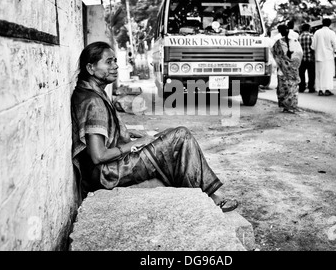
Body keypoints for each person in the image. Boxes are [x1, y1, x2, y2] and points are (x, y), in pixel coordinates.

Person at [71, 41, 238, 212]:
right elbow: (98, 156)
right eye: (108, 62)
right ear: (90, 68)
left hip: (107, 168)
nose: (115, 66)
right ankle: (209, 197)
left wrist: (129, 132)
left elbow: (105, 133)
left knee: (168, 135)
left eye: (115, 60)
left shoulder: (87, 91)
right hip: (108, 174)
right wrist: (134, 144)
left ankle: (196, 193)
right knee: (181, 136)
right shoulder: (93, 101)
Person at [272, 24, 304, 113]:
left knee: (284, 88)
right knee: (291, 88)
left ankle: (286, 107)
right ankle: (291, 106)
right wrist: (292, 63)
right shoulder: (294, 41)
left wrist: (283, 62)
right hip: (291, 69)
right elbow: (299, 53)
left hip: (283, 69)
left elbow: (275, 54)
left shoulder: (278, 42)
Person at [311, 18, 336, 96]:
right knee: (328, 74)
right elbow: (335, 45)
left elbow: (313, 46)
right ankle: (327, 89)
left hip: (319, 56)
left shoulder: (317, 32)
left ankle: (319, 90)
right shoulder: (331, 33)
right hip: (328, 57)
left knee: (319, 73)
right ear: (330, 24)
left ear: (322, 23)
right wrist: (335, 50)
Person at [298, 23, 315, 93]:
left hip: (302, 58)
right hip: (310, 57)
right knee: (311, 74)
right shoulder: (311, 36)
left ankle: (302, 87)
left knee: (301, 74)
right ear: (309, 28)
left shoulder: (299, 37)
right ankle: (311, 87)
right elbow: (313, 47)